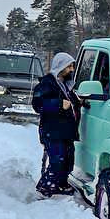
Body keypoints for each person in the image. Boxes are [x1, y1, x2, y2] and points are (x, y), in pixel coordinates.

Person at [33, 52, 82, 197]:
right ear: (60, 67)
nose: (72, 70)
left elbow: (72, 102)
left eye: (72, 66)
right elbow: (37, 104)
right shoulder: (47, 84)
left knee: (68, 160)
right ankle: (44, 189)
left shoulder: (66, 86)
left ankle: (61, 184)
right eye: (69, 67)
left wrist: (80, 102)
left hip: (66, 131)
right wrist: (58, 104)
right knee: (57, 161)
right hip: (52, 131)